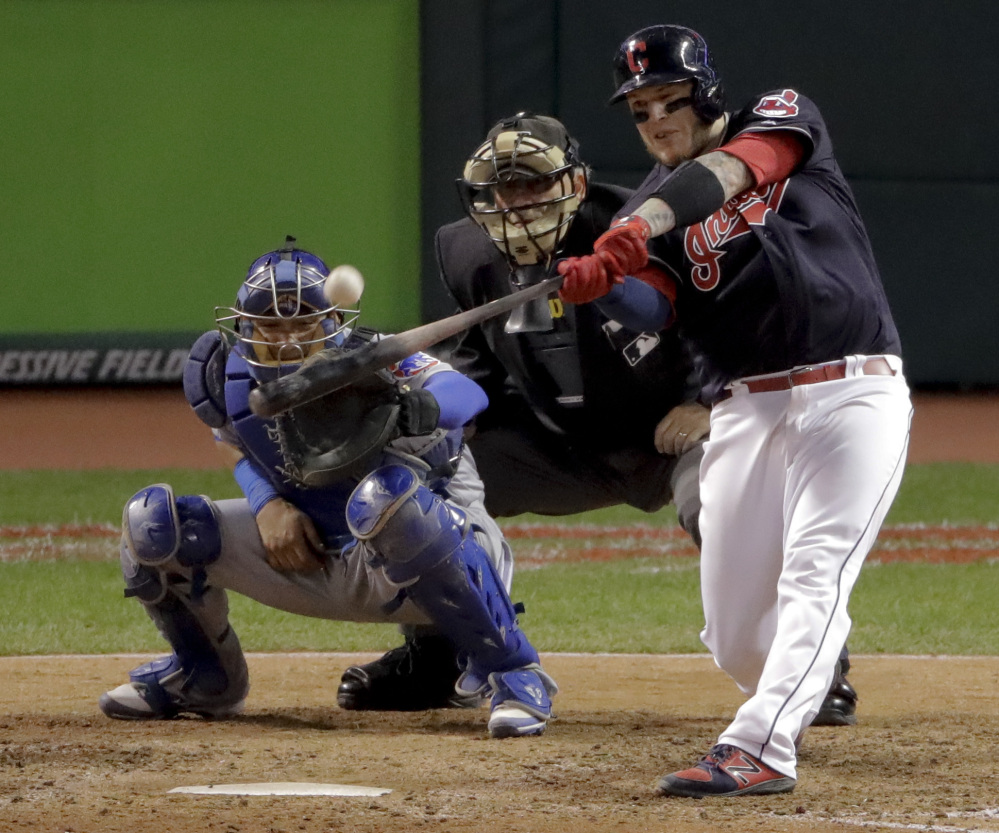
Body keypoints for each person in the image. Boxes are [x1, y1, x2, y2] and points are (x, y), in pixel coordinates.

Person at [558, 25, 912, 796]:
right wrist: (602, 287)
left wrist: (634, 230)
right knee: (732, 634)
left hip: (853, 390)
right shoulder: (651, 205)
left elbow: (734, 170)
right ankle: (803, 667)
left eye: (666, 99)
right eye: (638, 108)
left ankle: (759, 746)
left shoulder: (780, 116)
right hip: (747, 408)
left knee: (815, 573)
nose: (652, 119)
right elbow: (656, 305)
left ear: (705, 92)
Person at [98, 237, 557, 739]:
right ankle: (205, 679)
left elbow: (466, 392)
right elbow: (230, 441)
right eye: (272, 324)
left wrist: (418, 407)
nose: (288, 338)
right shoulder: (228, 376)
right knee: (153, 523)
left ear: (334, 324)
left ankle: (513, 673)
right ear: (245, 326)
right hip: (312, 554)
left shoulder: (376, 364)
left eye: (303, 323)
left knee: (387, 497)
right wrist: (267, 504)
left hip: (437, 556)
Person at [336, 112, 710, 712]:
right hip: (558, 446)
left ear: (576, 185)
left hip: (673, 431)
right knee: (424, 479)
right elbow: (477, 359)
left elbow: (723, 320)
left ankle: (812, 665)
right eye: (505, 187)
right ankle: (438, 654)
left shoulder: (640, 226)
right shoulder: (463, 250)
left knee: (731, 499)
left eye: (534, 182)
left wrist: (709, 401)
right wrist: (434, 424)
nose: (519, 202)